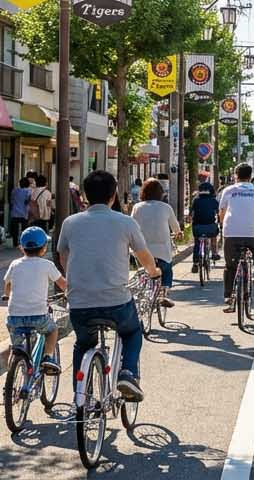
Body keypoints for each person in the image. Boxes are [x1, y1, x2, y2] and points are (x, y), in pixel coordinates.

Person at [57, 170, 161, 401]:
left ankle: (80, 397)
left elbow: (63, 255)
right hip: (117, 303)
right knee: (132, 332)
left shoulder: (70, 223)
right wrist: (154, 272)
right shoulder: (125, 222)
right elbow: (144, 256)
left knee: (83, 343)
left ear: (85, 195)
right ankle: (128, 373)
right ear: (113, 196)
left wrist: (71, 281)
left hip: (80, 303)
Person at [2, 226, 67, 375]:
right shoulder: (47, 265)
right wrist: (69, 293)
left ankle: (12, 373)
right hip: (38, 316)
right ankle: (48, 357)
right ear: (44, 249)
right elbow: (63, 284)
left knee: (16, 347)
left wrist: (6, 295)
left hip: (14, 317)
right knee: (52, 330)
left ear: (22, 248)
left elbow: (8, 283)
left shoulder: (15, 264)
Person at [220, 163, 254, 307]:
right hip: (252, 234)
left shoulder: (228, 190)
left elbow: (222, 212)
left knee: (230, 266)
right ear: (250, 176)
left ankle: (228, 296)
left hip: (231, 233)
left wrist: (223, 225)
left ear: (235, 175)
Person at [131, 179, 182, 308]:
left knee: (144, 270)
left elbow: (132, 226)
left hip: (142, 250)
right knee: (167, 270)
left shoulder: (137, 207)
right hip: (162, 251)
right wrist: (178, 233)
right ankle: (164, 294)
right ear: (160, 193)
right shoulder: (166, 207)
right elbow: (175, 226)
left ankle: (143, 292)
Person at [190, 181, 222, 271]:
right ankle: (214, 253)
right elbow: (219, 213)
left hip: (197, 228)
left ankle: (195, 263)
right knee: (214, 236)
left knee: (197, 243)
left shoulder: (196, 200)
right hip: (210, 228)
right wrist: (220, 222)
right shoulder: (213, 200)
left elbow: (191, 213)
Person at [9, 177, 32, 247]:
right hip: (24, 212)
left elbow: (11, 201)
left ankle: (15, 243)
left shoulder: (14, 190)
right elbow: (28, 201)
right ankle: (24, 242)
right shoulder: (28, 191)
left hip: (15, 212)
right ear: (28, 184)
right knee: (25, 229)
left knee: (15, 229)